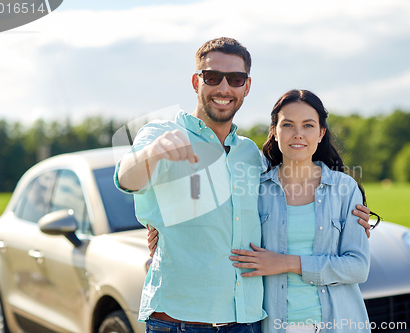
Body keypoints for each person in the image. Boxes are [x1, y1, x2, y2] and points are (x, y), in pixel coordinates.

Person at [116, 37, 371, 333]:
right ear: (196, 81)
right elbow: (126, 178)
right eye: (212, 77)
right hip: (180, 321)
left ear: (246, 86)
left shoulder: (251, 156)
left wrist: (356, 220)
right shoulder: (162, 133)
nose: (224, 88)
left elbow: (291, 200)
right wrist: (154, 152)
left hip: (245, 322)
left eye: (235, 79)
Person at [229, 90, 372, 333]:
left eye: (308, 125)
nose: (298, 134)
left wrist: (286, 263)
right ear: (274, 131)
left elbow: (358, 267)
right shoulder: (255, 190)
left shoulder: (344, 189)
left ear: (321, 133)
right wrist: (159, 230)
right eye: (288, 125)